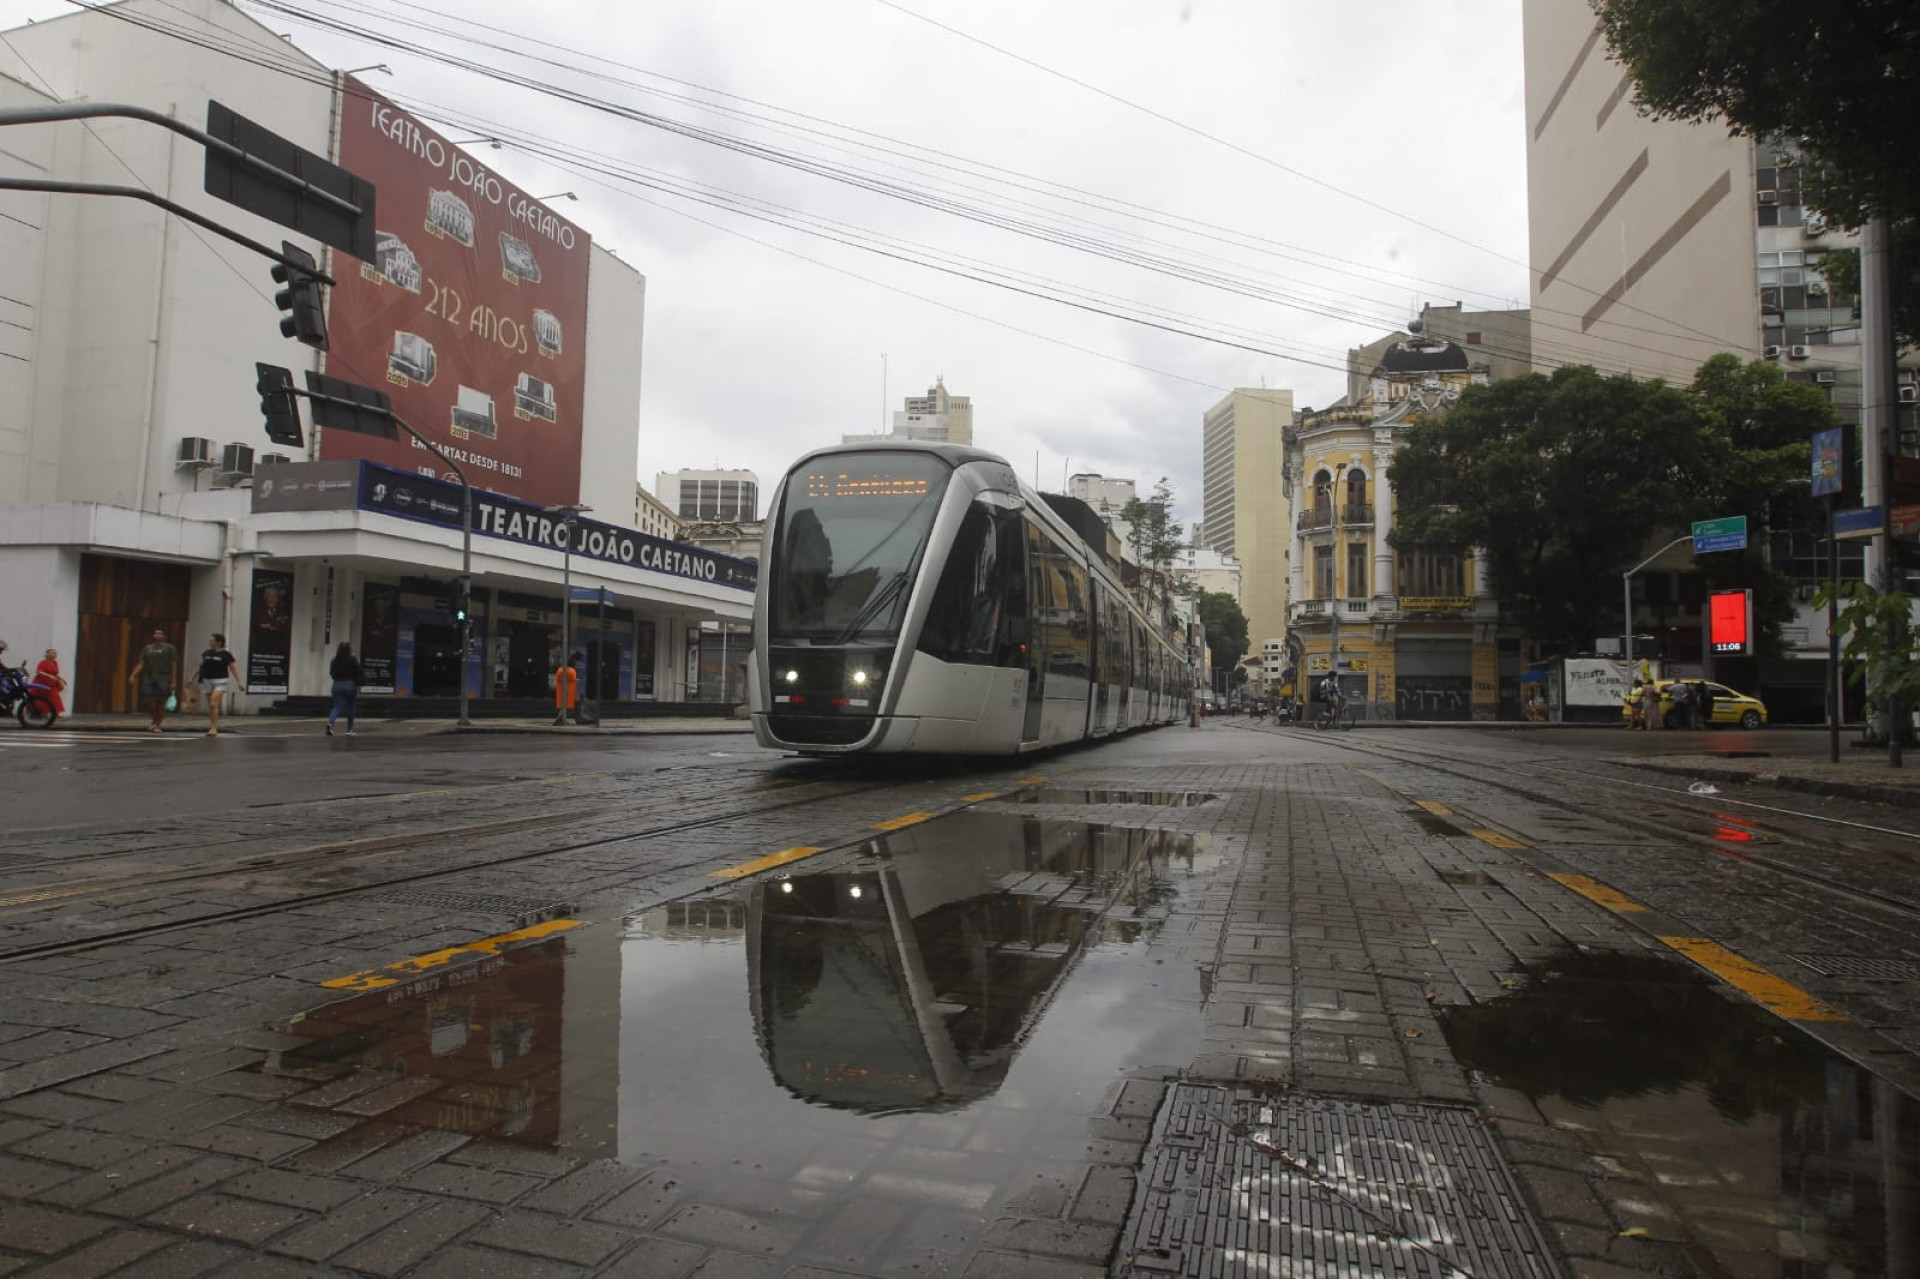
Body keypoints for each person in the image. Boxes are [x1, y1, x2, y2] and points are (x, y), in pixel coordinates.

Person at [126, 627, 179, 733]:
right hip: (149, 677)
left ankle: (158, 724)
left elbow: (173, 664)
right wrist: (133, 675)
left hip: (163, 677)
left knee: (160, 702)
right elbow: (142, 663)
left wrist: (173, 681)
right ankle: (155, 719)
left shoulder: (169, 648)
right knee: (147, 700)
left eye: (159, 634)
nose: (157, 635)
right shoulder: (148, 648)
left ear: (164, 636)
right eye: (155, 633)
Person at [196, 633, 246, 736]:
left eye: (212, 641)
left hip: (221, 680)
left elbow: (233, 668)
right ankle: (212, 725)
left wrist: (239, 682)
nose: (210, 642)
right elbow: (201, 666)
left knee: (213, 703)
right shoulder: (206, 653)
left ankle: (214, 728)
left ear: (218, 642)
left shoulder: (226, 654)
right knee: (211, 705)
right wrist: (192, 677)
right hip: (207, 679)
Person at [327, 641, 362, 737]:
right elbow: (358, 671)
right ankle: (349, 729)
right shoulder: (352, 659)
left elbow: (332, 673)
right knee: (351, 707)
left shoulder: (334, 660)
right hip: (349, 685)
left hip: (337, 685)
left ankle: (330, 723)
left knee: (337, 707)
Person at [32, 648, 66, 717]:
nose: (55, 655)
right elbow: (39, 671)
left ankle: (57, 713)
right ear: (48, 654)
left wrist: (61, 679)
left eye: (56, 653)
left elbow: (55, 673)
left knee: (55, 697)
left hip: (51, 683)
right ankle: (43, 712)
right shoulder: (43, 662)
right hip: (42, 683)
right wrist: (50, 676)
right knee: (42, 698)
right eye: (53, 653)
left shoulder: (55, 663)